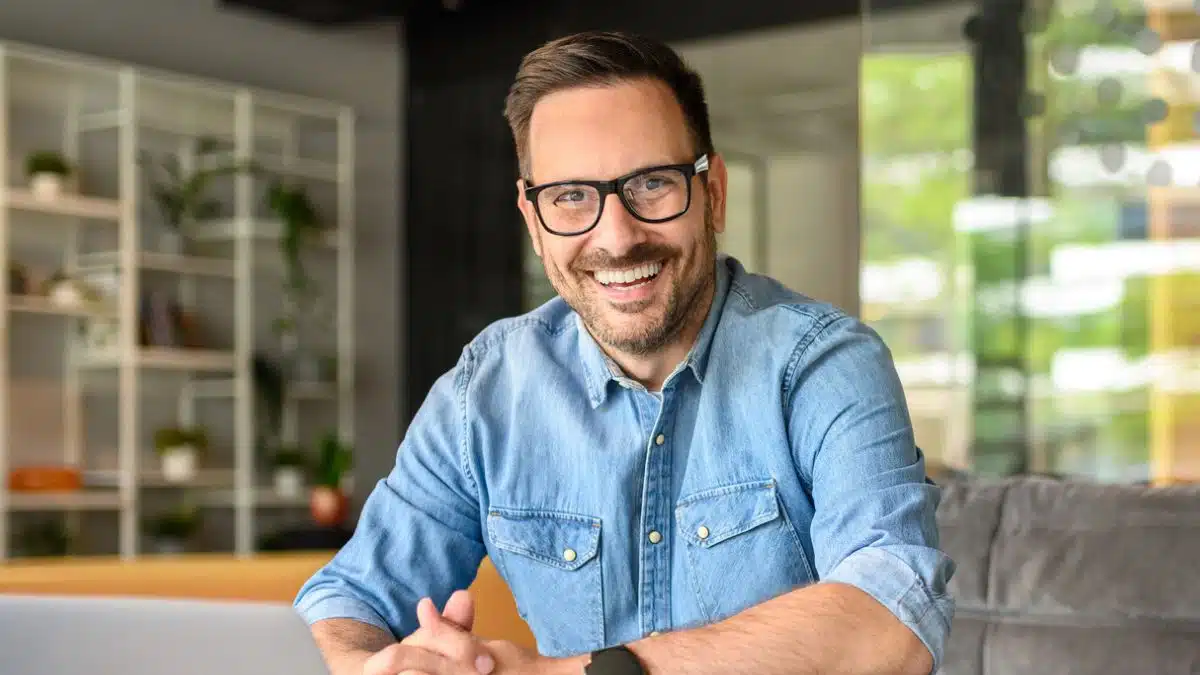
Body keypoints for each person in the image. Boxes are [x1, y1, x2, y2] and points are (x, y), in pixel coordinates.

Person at [294, 30, 955, 675]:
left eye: (652, 183)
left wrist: (573, 673)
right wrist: (378, 666)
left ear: (713, 192)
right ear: (533, 220)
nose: (617, 235)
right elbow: (351, 598)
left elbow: (892, 620)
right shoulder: (488, 391)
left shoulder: (823, 364)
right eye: (571, 196)